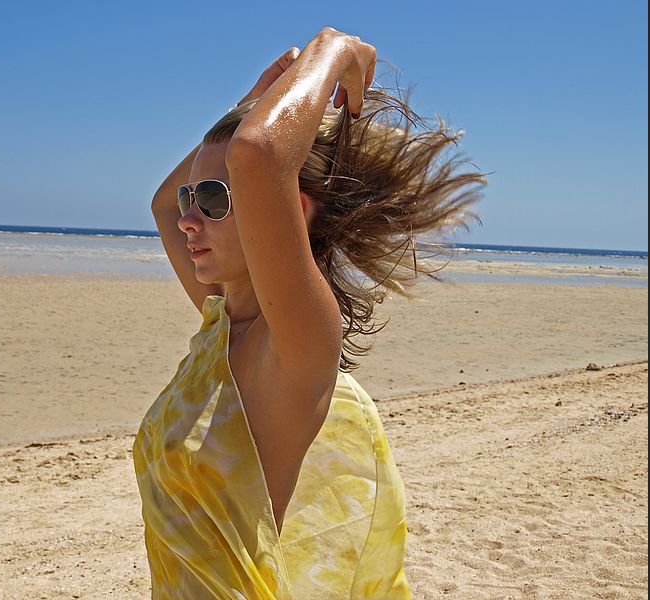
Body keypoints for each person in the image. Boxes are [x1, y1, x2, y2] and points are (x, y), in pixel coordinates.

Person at [133, 27, 485, 599]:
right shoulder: (222, 328)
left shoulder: (293, 345)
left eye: (216, 200)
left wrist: (335, 50)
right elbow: (165, 202)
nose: (188, 220)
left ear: (289, 211)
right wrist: (255, 99)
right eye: (190, 199)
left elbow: (259, 154)